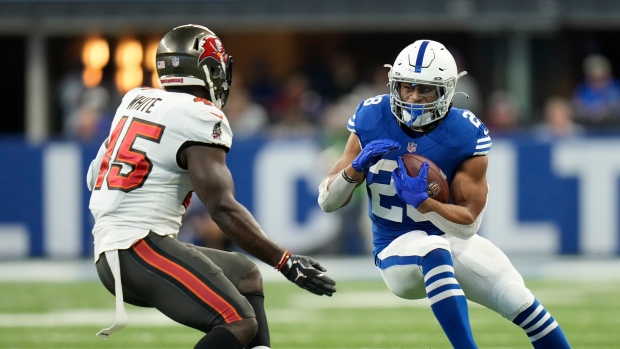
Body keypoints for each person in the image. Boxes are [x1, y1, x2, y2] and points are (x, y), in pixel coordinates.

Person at [86, 24, 336, 349]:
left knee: (245, 274)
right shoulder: (199, 115)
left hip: (113, 249)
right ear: (208, 69)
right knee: (238, 320)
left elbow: (95, 176)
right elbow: (222, 210)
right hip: (139, 248)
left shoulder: (136, 99)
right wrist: (285, 261)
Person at [317, 39, 571, 348]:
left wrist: (426, 203)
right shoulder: (372, 117)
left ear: (446, 90)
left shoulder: (464, 133)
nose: (412, 96)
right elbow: (327, 201)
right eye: (406, 87)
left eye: (424, 89)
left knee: (517, 297)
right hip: (395, 249)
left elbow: (468, 224)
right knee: (432, 248)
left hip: (448, 236)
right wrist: (354, 169)